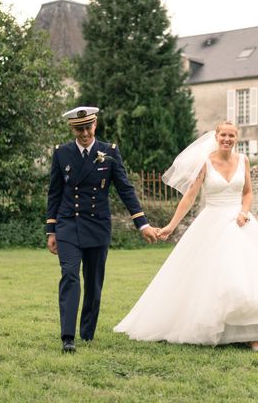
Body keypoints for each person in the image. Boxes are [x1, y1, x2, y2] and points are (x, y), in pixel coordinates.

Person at [114, 122, 258, 351]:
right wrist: (171, 226)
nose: (227, 139)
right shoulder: (206, 162)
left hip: (240, 224)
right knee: (214, 277)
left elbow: (247, 192)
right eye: (223, 135)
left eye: (231, 135)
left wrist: (244, 212)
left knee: (248, 276)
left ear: (236, 138)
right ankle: (216, 327)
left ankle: (252, 335)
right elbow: (190, 196)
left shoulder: (243, 161)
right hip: (213, 222)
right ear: (216, 136)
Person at [46, 106, 158, 353]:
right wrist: (51, 230)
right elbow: (54, 193)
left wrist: (142, 223)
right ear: (72, 129)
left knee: (94, 283)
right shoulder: (62, 153)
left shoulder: (109, 152)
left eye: (88, 127)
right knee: (70, 275)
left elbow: (125, 189)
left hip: (97, 225)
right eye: (79, 129)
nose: (84, 133)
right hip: (68, 224)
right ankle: (68, 337)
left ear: (95, 126)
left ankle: (86, 333)